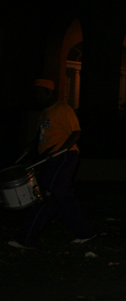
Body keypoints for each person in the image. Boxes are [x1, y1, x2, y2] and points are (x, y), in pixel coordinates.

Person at [9, 79, 96, 249]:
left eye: (42, 92)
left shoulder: (63, 109)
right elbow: (45, 135)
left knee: (47, 195)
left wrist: (60, 151)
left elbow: (75, 133)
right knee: (61, 196)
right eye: (37, 93)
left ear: (51, 93)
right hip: (49, 158)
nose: (39, 96)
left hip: (64, 156)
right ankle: (86, 232)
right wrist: (33, 145)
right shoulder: (44, 113)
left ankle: (26, 238)